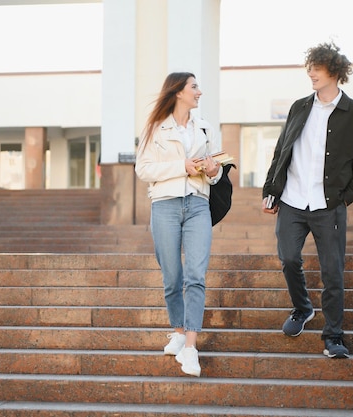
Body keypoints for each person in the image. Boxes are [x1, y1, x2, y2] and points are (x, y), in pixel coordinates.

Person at [261, 42, 353, 359]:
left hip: (329, 205)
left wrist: (345, 198)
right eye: (309, 67)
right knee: (289, 257)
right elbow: (282, 151)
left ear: (334, 72)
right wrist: (271, 189)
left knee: (333, 273)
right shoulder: (299, 107)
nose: (311, 73)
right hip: (293, 200)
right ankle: (302, 308)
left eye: (317, 68)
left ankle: (334, 336)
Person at [135, 72, 222, 376]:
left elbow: (216, 172)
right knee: (172, 275)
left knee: (196, 275)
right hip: (165, 204)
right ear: (178, 92)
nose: (200, 91)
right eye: (194, 87)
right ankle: (179, 330)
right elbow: (143, 169)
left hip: (198, 203)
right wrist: (181, 167)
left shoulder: (205, 128)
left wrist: (213, 171)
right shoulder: (155, 128)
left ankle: (190, 348)